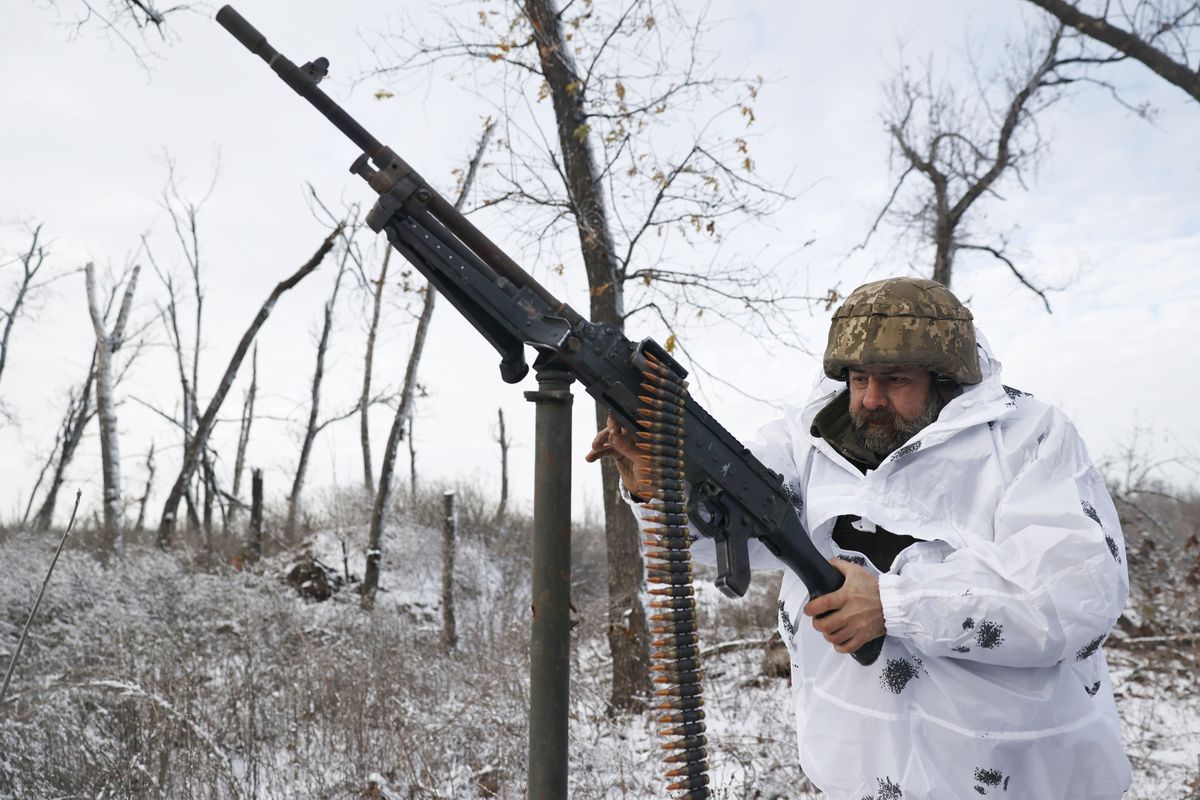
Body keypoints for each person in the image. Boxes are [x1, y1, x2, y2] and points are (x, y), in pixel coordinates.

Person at [586, 277, 1130, 800]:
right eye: (858, 378)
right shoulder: (804, 439)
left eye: (894, 380)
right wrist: (658, 486)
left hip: (1017, 774)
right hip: (858, 768)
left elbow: (1075, 592)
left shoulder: (1026, 437)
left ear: (945, 379)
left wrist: (895, 604)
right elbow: (725, 539)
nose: (870, 398)